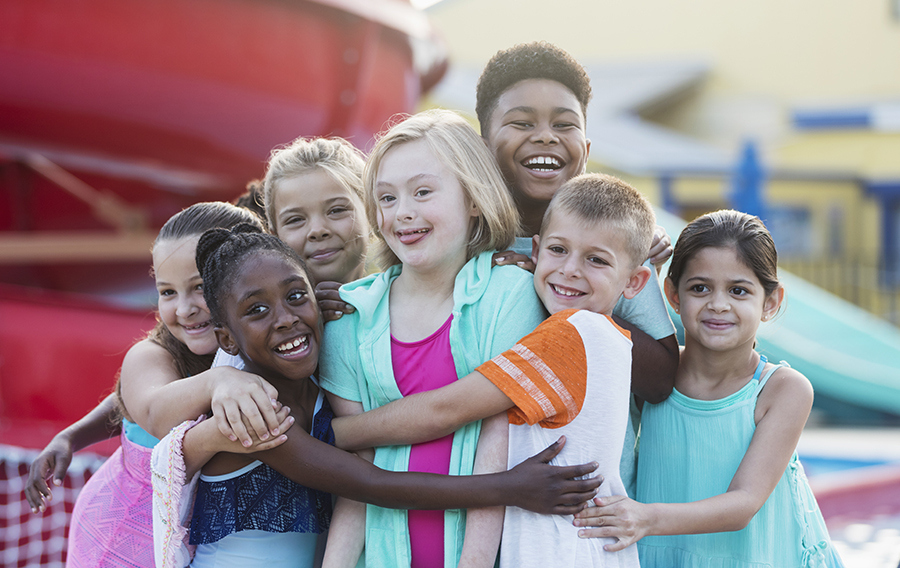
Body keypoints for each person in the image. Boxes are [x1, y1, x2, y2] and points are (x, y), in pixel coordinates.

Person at [152, 225, 603, 568]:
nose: (286, 318)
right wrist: (508, 488)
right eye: (257, 310)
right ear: (227, 340)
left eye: (295, 296)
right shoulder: (252, 415)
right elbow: (372, 485)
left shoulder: (322, 381)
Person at [332, 173, 656, 567]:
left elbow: (446, 410)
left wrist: (330, 434)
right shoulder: (614, 341)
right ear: (534, 250)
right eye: (558, 250)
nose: (570, 270)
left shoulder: (572, 335)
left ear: (635, 282)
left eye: (596, 260)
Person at [317, 109, 550, 567]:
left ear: (474, 199)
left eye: (423, 192)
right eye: (386, 198)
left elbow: (496, 438)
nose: (402, 213)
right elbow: (357, 477)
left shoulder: (510, 295)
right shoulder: (350, 316)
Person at [573, 210, 845, 568]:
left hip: (756, 557)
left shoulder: (781, 390)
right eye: (699, 288)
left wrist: (645, 517)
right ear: (672, 294)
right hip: (659, 553)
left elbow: (744, 503)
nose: (718, 304)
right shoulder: (651, 375)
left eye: (738, 290)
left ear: (771, 302)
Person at [25, 202, 284, 568]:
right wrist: (219, 380)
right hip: (122, 534)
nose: (184, 308)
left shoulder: (246, 349)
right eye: (167, 292)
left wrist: (73, 435)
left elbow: (121, 404)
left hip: (187, 538)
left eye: (199, 287)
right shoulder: (150, 355)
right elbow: (152, 411)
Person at [474, 40, 679, 498]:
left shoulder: (621, 250)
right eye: (522, 122)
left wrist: (573, 305)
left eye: (563, 124)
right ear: (484, 145)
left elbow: (662, 376)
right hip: (479, 494)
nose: (545, 136)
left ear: (584, 148)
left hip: (588, 503)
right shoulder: (467, 245)